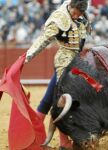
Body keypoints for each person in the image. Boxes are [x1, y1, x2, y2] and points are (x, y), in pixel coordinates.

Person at [25, 0, 90, 150]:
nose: (75, 16)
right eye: (74, 13)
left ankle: (35, 135)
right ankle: (63, 142)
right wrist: (29, 55)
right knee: (61, 100)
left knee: (51, 99)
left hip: (76, 61)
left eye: (79, 14)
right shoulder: (59, 17)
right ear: (70, 6)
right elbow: (44, 39)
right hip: (63, 61)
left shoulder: (81, 17)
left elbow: (81, 40)